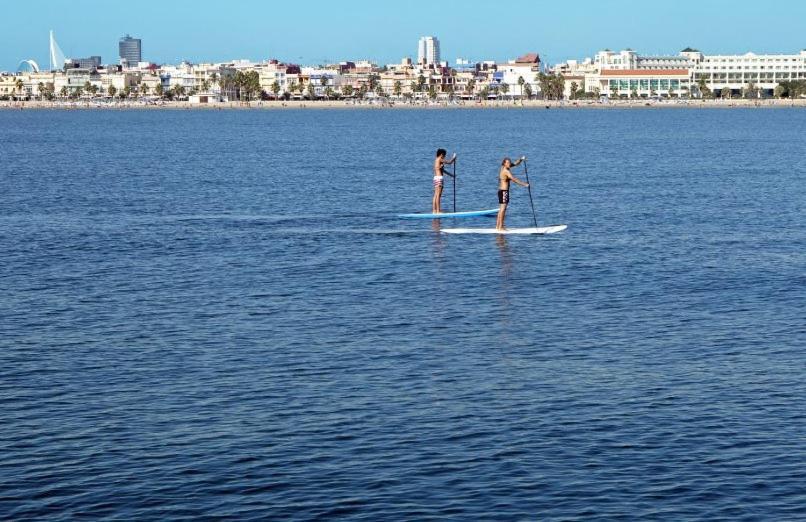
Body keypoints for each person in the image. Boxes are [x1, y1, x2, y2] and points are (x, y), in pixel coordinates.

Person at [496, 156, 529, 230]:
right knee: (503, 209)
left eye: (509, 162)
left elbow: (515, 163)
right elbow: (514, 179)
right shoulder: (506, 171)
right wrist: (525, 184)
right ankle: (501, 227)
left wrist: (521, 159)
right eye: (507, 162)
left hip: (501, 191)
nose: (509, 163)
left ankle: (498, 226)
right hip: (504, 192)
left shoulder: (505, 168)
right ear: (504, 163)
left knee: (501, 209)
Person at [432, 149, 457, 213]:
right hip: (439, 178)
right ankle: (438, 211)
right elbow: (449, 162)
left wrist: (451, 175)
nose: (444, 157)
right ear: (441, 154)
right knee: (438, 195)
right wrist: (454, 158)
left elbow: (442, 170)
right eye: (444, 155)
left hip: (435, 178)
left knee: (435, 195)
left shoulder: (436, 160)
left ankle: (434, 210)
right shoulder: (440, 159)